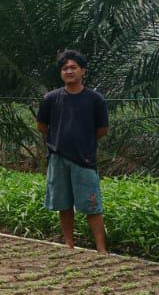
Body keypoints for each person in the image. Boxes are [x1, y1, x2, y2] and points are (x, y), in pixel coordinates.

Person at [36, 49, 109, 254]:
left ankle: (101, 249)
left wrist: (84, 142)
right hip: (58, 157)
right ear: (61, 73)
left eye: (73, 67)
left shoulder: (95, 100)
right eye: (65, 68)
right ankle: (69, 246)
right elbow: (42, 126)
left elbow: (102, 130)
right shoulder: (51, 99)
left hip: (84, 160)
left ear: (82, 71)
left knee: (92, 206)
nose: (69, 71)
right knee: (64, 204)